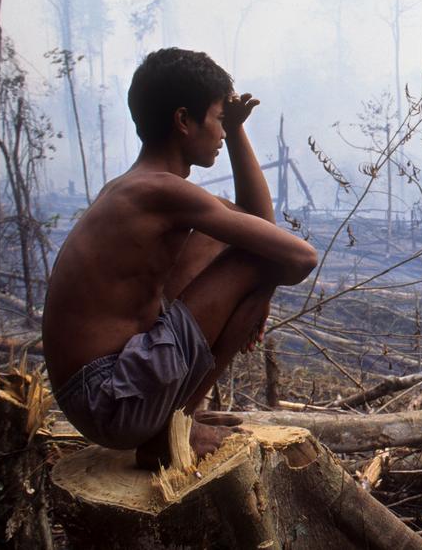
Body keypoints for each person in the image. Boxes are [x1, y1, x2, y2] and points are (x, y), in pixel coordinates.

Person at [42, 48, 317, 468]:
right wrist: (259, 288)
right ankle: (174, 429)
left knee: (239, 245)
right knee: (263, 262)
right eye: (219, 119)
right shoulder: (161, 192)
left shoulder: (139, 188)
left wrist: (236, 131)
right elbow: (299, 257)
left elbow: (258, 226)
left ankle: (174, 420)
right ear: (184, 120)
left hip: (98, 396)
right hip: (110, 400)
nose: (222, 132)